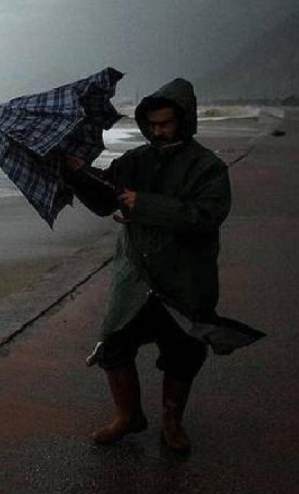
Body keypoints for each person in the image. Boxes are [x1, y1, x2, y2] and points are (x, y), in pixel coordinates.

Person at [64, 78, 231, 454]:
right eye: (151, 124)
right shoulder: (134, 160)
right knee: (114, 345)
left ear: (184, 121)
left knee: (182, 354)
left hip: (184, 278)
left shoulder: (209, 167)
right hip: (135, 276)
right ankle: (128, 416)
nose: (157, 131)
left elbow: (205, 217)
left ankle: (172, 420)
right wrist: (77, 172)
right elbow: (105, 199)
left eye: (166, 124)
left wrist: (147, 205)